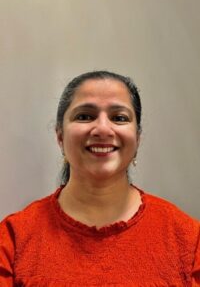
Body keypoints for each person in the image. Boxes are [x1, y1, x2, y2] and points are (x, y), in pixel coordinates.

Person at [0, 70, 199, 286]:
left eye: (119, 118)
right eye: (84, 116)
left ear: (138, 138)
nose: (103, 129)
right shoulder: (13, 240)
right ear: (60, 135)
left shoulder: (188, 241)